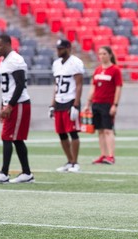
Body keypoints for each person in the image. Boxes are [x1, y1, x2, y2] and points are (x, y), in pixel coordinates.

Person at [0, 34, 34, 184]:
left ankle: (4, 173)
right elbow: (7, 87)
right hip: (12, 103)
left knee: (7, 137)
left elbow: (20, 84)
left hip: (19, 104)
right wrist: (3, 105)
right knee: (17, 139)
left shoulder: (15, 59)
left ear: (8, 44)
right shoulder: (4, 61)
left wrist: (10, 105)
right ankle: (26, 173)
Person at [84, 46, 123, 165]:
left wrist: (115, 105)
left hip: (107, 104)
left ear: (110, 55)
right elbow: (93, 87)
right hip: (96, 103)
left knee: (108, 130)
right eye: (100, 54)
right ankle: (103, 155)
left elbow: (118, 88)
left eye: (104, 53)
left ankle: (111, 156)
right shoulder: (97, 70)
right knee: (100, 131)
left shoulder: (115, 70)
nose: (102, 56)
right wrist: (88, 103)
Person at [50, 39, 84, 172]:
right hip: (59, 101)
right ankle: (69, 161)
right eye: (58, 48)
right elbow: (56, 85)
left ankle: (75, 162)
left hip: (70, 100)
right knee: (61, 133)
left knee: (73, 133)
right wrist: (52, 104)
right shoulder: (56, 64)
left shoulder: (75, 62)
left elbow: (79, 84)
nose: (59, 51)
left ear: (68, 48)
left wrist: (76, 104)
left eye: (61, 48)